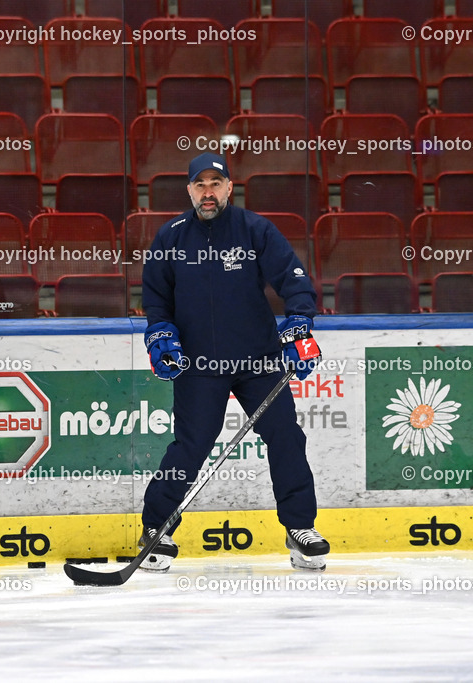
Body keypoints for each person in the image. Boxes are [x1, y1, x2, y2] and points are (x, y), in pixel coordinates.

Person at [139, 152, 330, 572]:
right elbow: (156, 301)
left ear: (229, 187)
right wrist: (161, 336)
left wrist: (300, 324)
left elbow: (292, 278)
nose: (208, 192)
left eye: (215, 184)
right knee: (190, 447)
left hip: (259, 359)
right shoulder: (170, 237)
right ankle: (156, 528)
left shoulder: (255, 229)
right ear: (189, 190)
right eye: (200, 185)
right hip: (199, 364)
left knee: (285, 436)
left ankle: (300, 529)